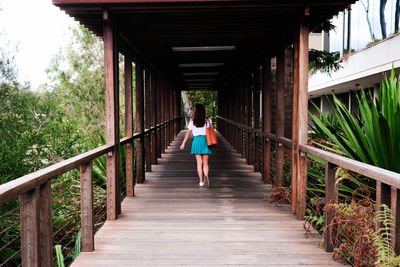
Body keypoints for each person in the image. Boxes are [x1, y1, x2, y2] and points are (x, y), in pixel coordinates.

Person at [180, 104, 212, 187]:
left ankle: (201, 181)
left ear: (195, 111)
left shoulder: (192, 122)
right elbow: (210, 130)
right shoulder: (208, 120)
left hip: (196, 141)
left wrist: (183, 143)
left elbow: (188, 134)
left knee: (199, 163)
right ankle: (206, 175)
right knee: (205, 163)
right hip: (205, 141)